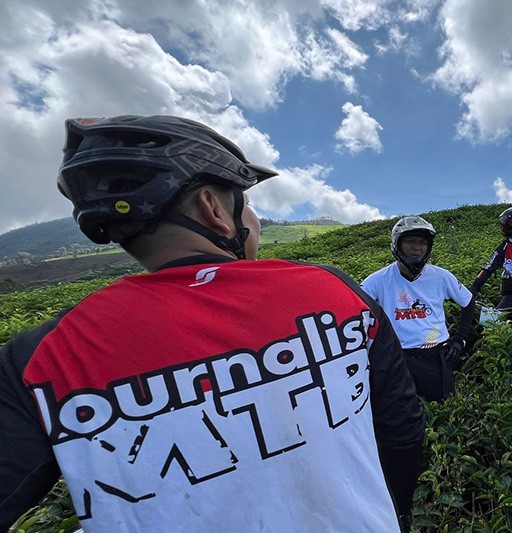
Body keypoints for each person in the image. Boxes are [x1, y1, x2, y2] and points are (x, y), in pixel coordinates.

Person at [0, 115, 424, 533]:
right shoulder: (335, 293)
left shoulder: (44, 355)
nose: (254, 217)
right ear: (214, 208)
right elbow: (401, 431)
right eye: (248, 202)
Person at [361, 216, 475, 403]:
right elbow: (356, 306)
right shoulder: (378, 279)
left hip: (435, 353)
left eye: (422, 242)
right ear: (397, 245)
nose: (417, 247)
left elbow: (468, 303)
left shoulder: (441, 276)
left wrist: (460, 339)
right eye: (410, 241)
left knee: (443, 406)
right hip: (396, 354)